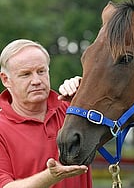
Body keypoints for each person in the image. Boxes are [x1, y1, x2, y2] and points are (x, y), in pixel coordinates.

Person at [0, 39, 92, 188]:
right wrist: (51, 176)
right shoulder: (1, 129)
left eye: (41, 71)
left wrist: (86, 92)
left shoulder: (72, 110)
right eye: (25, 74)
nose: (36, 80)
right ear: (6, 79)